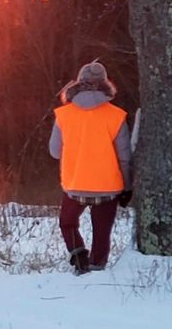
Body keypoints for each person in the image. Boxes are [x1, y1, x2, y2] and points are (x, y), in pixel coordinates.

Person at [49, 61, 133, 274]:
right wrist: (127, 187)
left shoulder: (64, 115)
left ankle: (78, 256)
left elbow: (55, 151)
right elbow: (124, 157)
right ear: (105, 84)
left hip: (74, 184)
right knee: (101, 232)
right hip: (109, 186)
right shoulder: (116, 115)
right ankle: (96, 269)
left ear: (78, 83)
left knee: (67, 223)